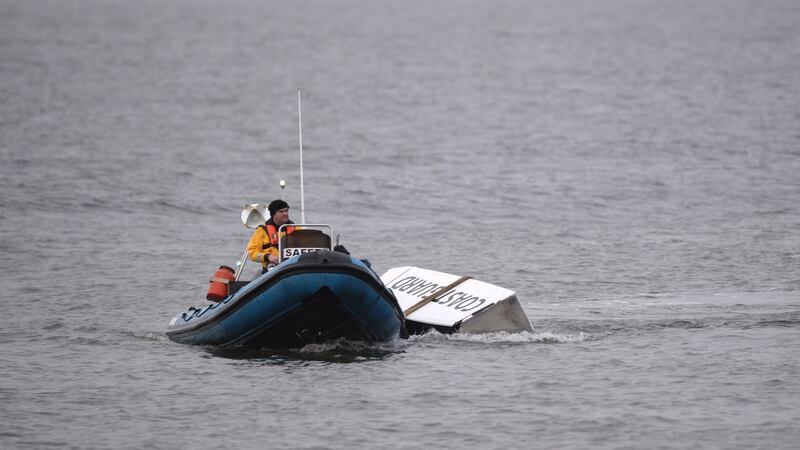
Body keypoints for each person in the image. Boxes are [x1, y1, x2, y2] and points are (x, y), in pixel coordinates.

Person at [246, 199, 294, 272]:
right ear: (273, 214)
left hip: (293, 267)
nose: (285, 214)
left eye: (286, 210)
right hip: (271, 270)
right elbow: (252, 253)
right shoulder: (261, 231)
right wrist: (268, 256)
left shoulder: (296, 228)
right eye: (281, 211)